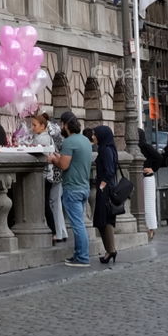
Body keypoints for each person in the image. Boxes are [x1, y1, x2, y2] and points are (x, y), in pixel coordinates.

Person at [49, 113, 92, 267]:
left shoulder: (69, 142)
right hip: (84, 186)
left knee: (78, 224)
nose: (61, 127)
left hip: (73, 187)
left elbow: (64, 165)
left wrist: (54, 159)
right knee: (80, 222)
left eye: (61, 124)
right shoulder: (85, 141)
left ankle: (82, 257)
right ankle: (80, 254)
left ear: (66, 125)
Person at [30, 111, 63, 244]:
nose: (33, 128)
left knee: (45, 204)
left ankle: (53, 230)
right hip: (47, 174)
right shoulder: (43, 136)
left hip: (44, 174)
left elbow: (38, 152)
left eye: (35, 125)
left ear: (43, 126)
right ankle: (53, 231)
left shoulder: (42, 138)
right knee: (46, 203)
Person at [91, 124, 120, 265]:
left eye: (95, 134)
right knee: (104, 220)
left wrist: (102, 185)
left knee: (104, 220)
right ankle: (110, 250)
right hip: (107, 189)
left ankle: (111, 250)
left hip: (106, 190)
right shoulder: (108, 148)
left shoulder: (105, 150)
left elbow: (109, 170)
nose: (93, 136)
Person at [138, 127, 165, 239]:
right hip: (141, 177)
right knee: (143, 204)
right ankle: (148, 227)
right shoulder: (138, 147)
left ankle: (151, 228)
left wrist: (152, 169)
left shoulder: (145, 147)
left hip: (147, 177)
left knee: (148, 204)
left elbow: (159, 157)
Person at [47, 116, 68, 245]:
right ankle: (62, 231)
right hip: (59, 172)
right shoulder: (59, 134)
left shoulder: (51, 134)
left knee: (54, 202)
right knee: (57, 203)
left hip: (54, 172)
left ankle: (59, 232)